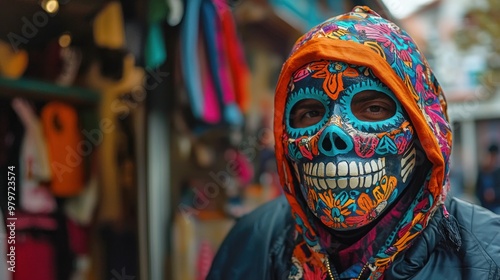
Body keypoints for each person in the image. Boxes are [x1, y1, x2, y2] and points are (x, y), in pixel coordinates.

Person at [207, 6, 500, 279]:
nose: (333, 135)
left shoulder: (488, 256)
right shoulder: (250, 243)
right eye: (310, 112)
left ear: (424, 134)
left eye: (373, 109)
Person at [475, 143, 500, 213]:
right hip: (484, 207)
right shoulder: (482, 171)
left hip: (496, 207)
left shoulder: (497, 172)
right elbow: (477, 190)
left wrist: (494, 194)